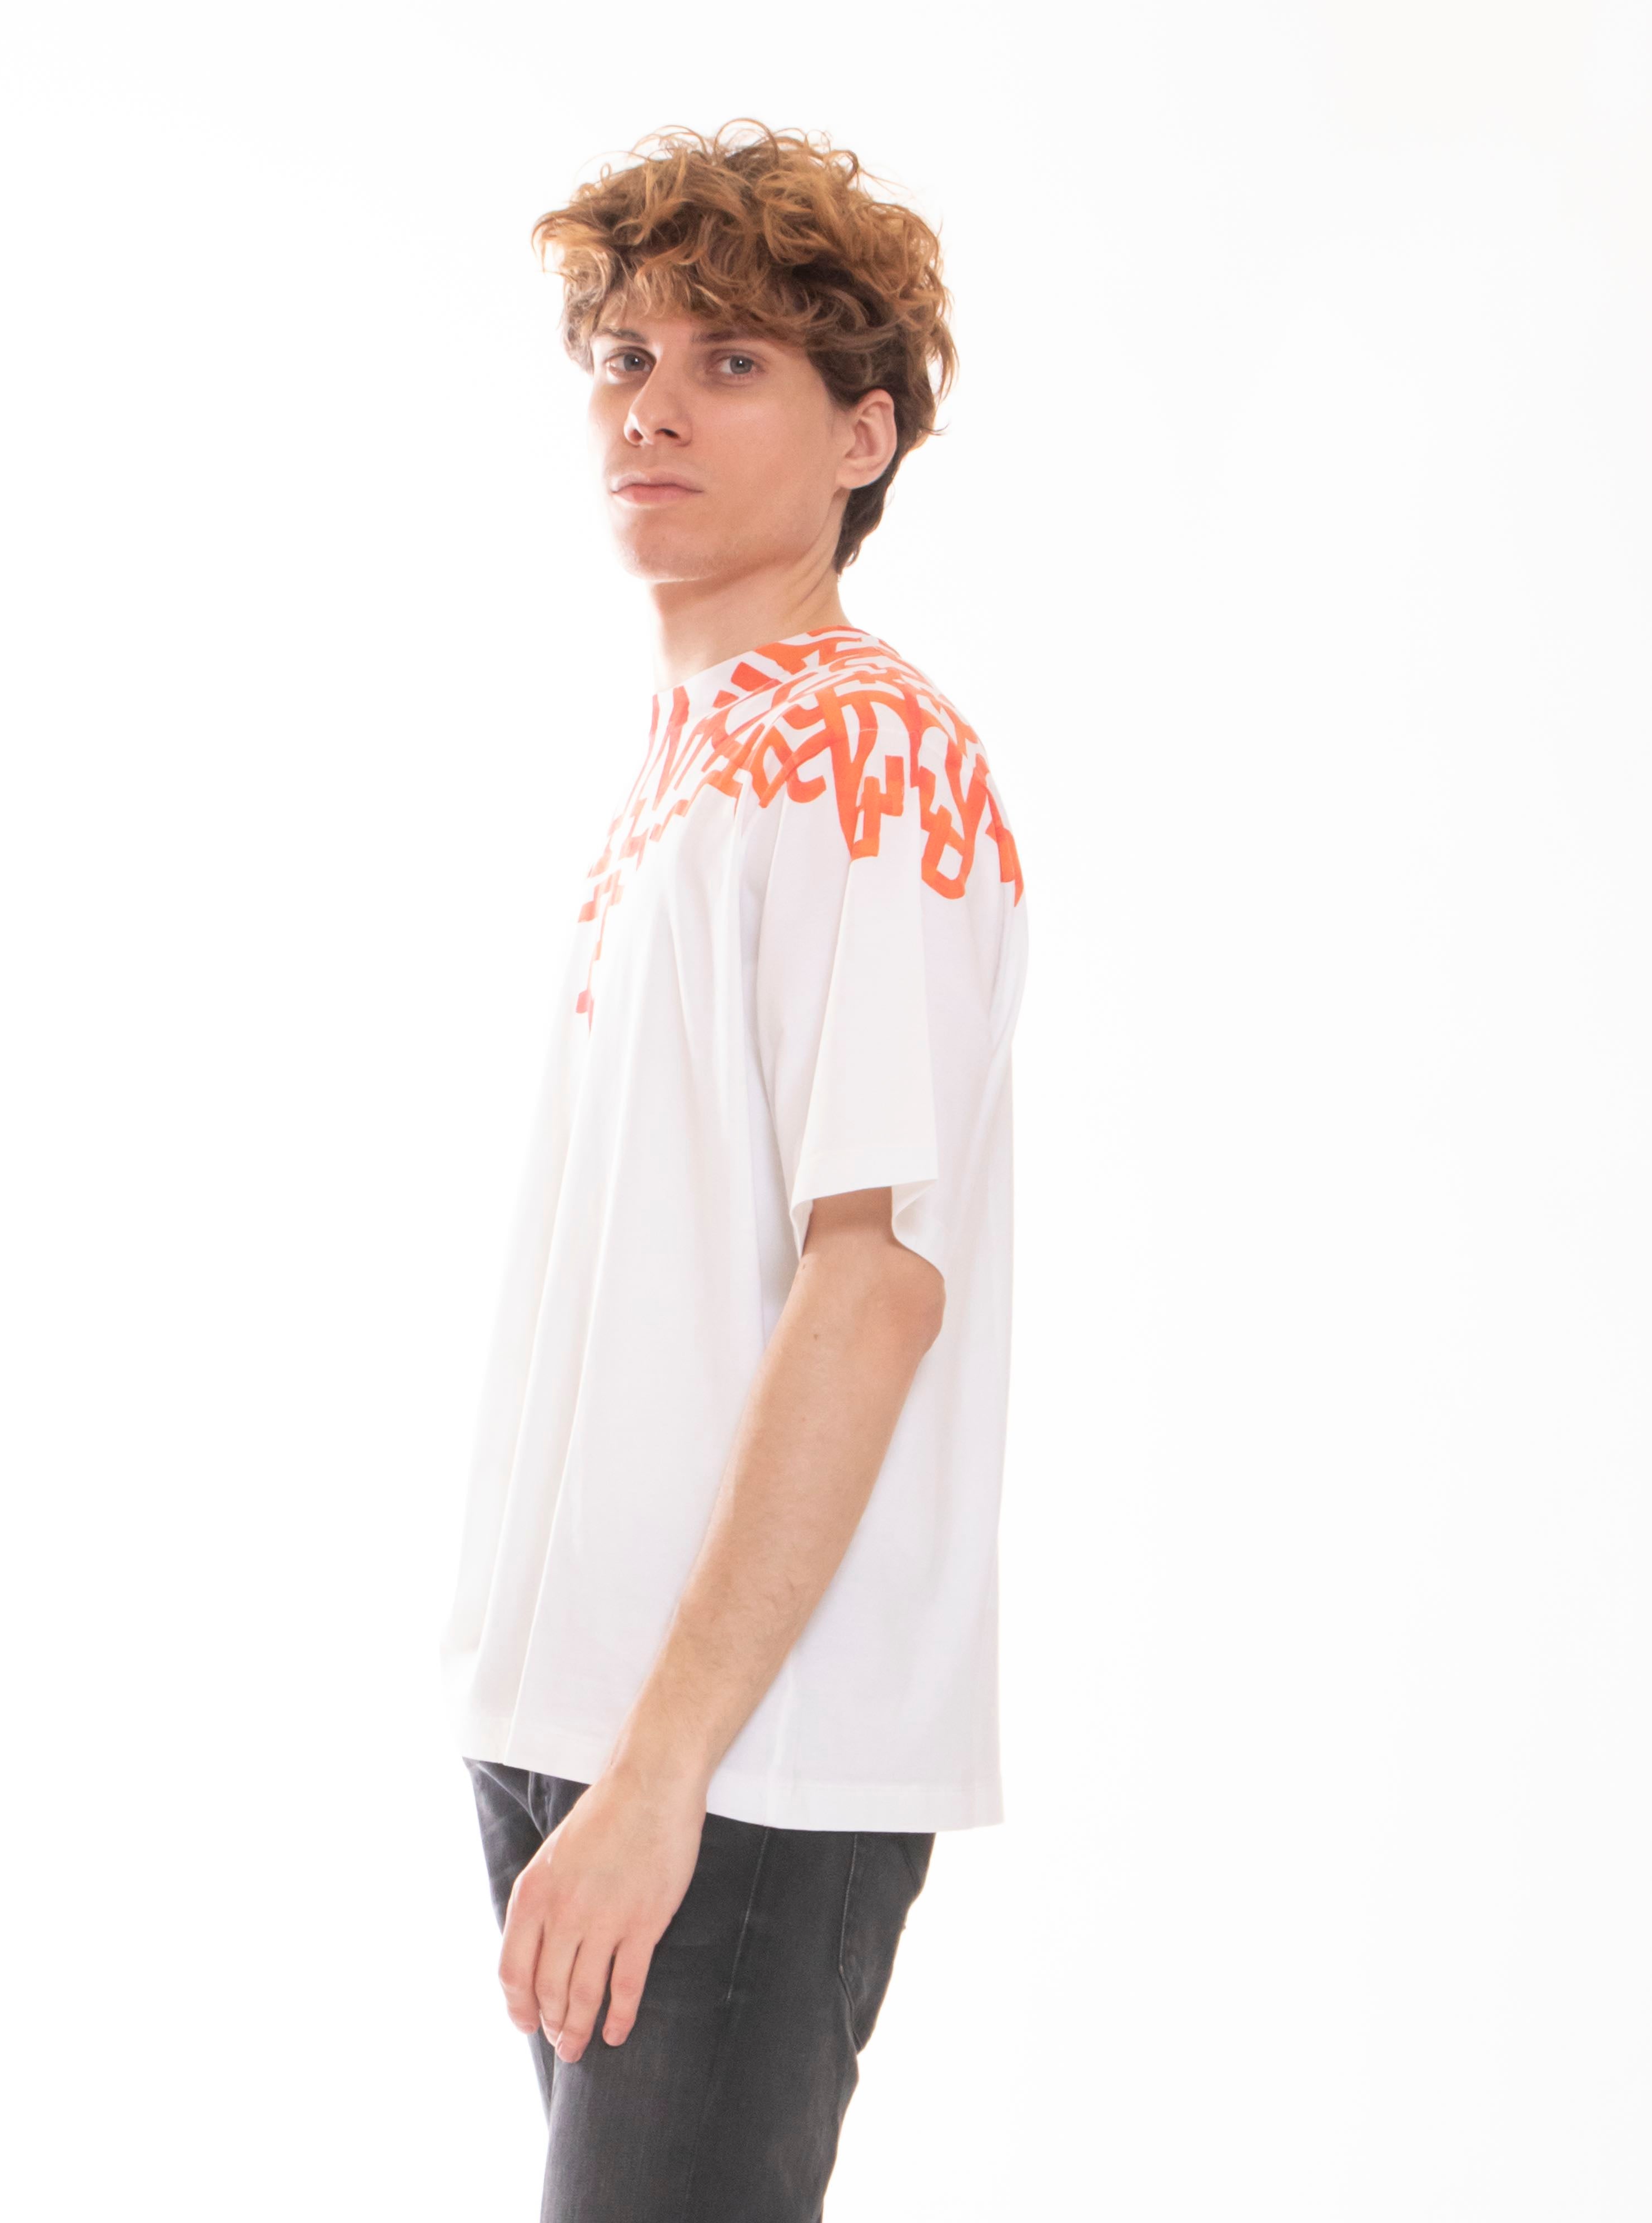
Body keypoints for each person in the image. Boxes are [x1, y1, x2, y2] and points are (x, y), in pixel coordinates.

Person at [437, 118, 1028, 2219]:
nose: (652, 405)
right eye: (624, 357)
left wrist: (665, 1764)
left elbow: (876, 1281)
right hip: (580, 1731)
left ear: (867, 436)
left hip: (735, 1764)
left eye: (732, 361)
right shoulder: (699, 759)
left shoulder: (870, 750)